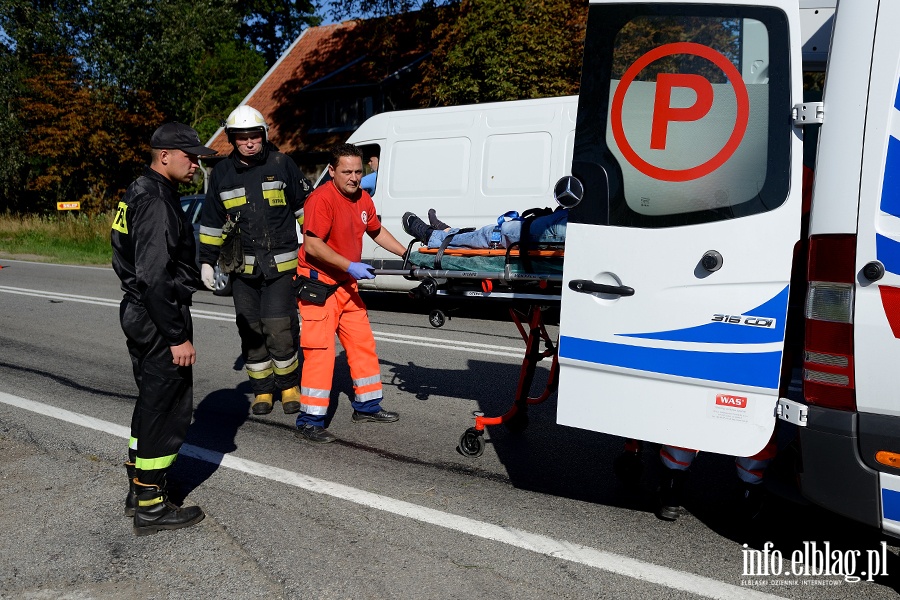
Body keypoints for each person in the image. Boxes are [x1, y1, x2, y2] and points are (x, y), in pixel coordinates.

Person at [111, 122, 215, 535]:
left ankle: (139, 491)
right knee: (168, 409)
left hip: (141, 311)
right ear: (164, 155)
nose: (195, 164)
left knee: (150, 403)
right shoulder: (155, 200)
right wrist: (177, 336)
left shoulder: (138, 189)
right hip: (159, 315)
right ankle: (152, 505)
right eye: (189, 156)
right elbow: (154, 276)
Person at [199, 105, 312, 416]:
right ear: (233, 140)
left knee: (279, 327)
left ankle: (289, 386)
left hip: (280, 267)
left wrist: (315, 249)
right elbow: (210, 221)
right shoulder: (221, 173)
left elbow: (307, 212)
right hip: (242, 269)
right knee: (250, 329)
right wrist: (207, 261)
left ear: (264, 135)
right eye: (241, 138)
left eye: (254, 137)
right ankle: (263, 391)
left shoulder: (282, 164)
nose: (248, 143)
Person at [293, 143, 407, 443]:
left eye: (359, 171)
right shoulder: (322, 199)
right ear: (332, 171)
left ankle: (367, 407)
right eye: (347, 172)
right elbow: (313, 245)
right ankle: (309, 420)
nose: (354, 177)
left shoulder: (363, 198)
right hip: (319, 286)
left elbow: (376, 230)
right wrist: (350, 265)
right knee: (320, 354)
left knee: (362, 345)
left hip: (346, 285)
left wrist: (406, 254)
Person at [401, 207, 567, 249]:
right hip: (566, 222)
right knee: (495, 232)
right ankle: (449, 231)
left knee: (493, 234)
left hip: (563, 227)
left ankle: (433, 236)